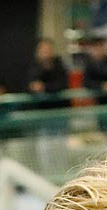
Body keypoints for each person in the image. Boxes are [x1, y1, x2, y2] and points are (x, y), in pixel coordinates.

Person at [27, 36, 72, 176]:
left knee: (60, 149)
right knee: (45, 150)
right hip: (42, 116)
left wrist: (45, 87)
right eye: (43, 49)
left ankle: (61, 178)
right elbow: (29, 86)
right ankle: (47, 177)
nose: (46, 52)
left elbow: (63, 85)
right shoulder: (34, 67)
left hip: (60, 113)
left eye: (48, 49)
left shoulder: (59, 65)